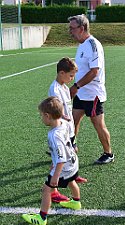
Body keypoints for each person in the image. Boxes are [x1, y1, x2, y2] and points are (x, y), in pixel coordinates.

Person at [22, 97, 82, 225]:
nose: (41, 118)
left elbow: (61, 159)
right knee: (71, 180)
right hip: (73, 162)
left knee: (46, 190)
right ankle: (76, 201)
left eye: (41, 115)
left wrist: (55, 176)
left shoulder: (54, 136)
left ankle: (42, 217)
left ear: (47, 116)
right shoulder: (63, 123)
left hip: (64, 166)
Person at [68, 14, 114, 164]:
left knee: (98, 124)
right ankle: (69, 148)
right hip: (81, 93)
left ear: (82, 28)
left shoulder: (93, 45)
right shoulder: (82, 44)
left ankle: (108, 153)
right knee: (72, 121)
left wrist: (76, 86)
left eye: (72, 28)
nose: (70, 31)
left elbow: (94, 71)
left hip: (92, 94)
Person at [48, 57, 87, 203]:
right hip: (61, 130)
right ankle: (53, 190)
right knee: (58, 160)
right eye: (71, 75)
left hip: (68, 129)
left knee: (72, 153)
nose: (72, 78)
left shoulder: (64, 87)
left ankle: (73, 175)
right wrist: (64, 117)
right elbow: (56, 110)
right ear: (61, 73)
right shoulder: (55, 88)